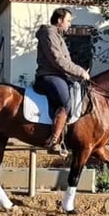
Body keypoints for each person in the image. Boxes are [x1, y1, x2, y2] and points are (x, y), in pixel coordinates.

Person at [33, 8, 91, 155]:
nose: (70, 24)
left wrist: (76, 75)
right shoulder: (49, 33)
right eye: (68, 21)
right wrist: (80, 71)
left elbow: (66, 62)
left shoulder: (57, 36)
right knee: (66, 102)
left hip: (59, 76)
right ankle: (54, 141)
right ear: (59, 20)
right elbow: (58, 60)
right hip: (48, 75)